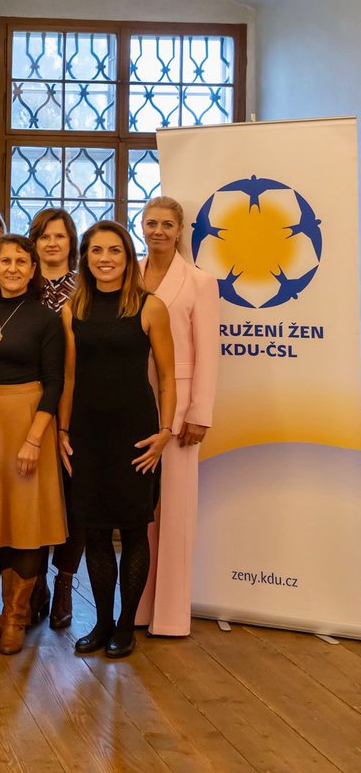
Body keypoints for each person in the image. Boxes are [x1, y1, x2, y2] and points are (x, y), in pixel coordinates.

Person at [59, 221, 176, 659]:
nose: (104, 258)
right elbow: (69, 378)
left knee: (132, 529)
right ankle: (103, 621)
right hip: (87, 434)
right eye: (95, 251)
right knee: (93, 532)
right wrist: (62, 431)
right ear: (85, 258)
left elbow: (166, 376)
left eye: (114, 250)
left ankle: (126, 626)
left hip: (136, 434)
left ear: (128, 257)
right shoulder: (73, 310)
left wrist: (165, 433)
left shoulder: (151, 307)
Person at [0, 235, 67, 655]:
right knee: (0, 520)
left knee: (26, 521)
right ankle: (5, 614)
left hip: (27, 419)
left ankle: (18, 618)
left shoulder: (45, 318)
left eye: (22, 261)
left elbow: (55, 382)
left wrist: (34, 438)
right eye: (5, 261)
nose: (13, 268)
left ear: (33, 269)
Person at [134, 196, 219, 637]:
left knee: (176, 509)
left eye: (167, 224)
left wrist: (199, 413)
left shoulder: (200, 282)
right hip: (134, 399)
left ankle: (169, 615)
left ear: (181, 229)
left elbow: (208, 353)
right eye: (151, 223)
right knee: (140, 510)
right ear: (141, 226)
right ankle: (139, 607)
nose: (158, 231)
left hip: (181, 404)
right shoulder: (130, 273)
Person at [27, 207, 83, 629]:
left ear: (70, 243)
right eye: (44, 236)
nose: (51, 243)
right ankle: (35, 583)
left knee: (73, 497)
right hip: (28, 404)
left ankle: (64, 579)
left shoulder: (86, 288)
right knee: (35, 495)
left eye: (59, 237)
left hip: (79, 405)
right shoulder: (19, 284)